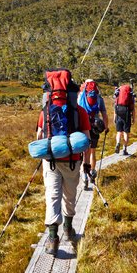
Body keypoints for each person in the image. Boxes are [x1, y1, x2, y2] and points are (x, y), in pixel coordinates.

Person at [36, 69, 92, 255]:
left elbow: (39, 136)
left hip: (50, 159)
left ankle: (52, 238)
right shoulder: (80, 112)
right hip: (73, 161)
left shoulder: (45, 111)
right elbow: (86, 140)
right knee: (69, 195)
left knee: (52, 195)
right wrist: (86, 164)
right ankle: (68, 230)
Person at [77, 79, 108, 189]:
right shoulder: (99, 97)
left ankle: (84, 175)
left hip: (82, 126)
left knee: (85, 152)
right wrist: (106, 126)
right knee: (92, 151)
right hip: (95, 126)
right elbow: (104, 113)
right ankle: (92, 172)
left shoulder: (80, 95)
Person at [113, 82, 135, 155]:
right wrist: (133, 118)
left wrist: (114, 117)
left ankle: (118, 143)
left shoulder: (118, 95)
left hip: (118, 113)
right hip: (127, 114)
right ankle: (124, 149)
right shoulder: (130, 96)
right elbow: (133, 109)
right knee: (126, 133)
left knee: (119, 132)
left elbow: (115, 107)